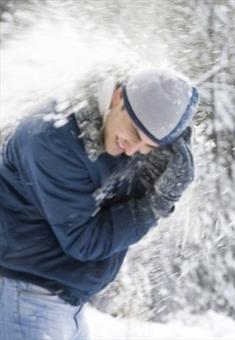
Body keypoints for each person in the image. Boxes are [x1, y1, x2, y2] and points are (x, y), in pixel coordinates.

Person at [0, 68, 199, 339]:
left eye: (147, 145)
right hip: (25, 297)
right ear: (118, 96)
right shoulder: (52, 137)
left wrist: (156, 174)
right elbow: (85, 240)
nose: (131, 149)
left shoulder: (115, 131)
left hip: (61, 301)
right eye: (133, 132)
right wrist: (157, 204)